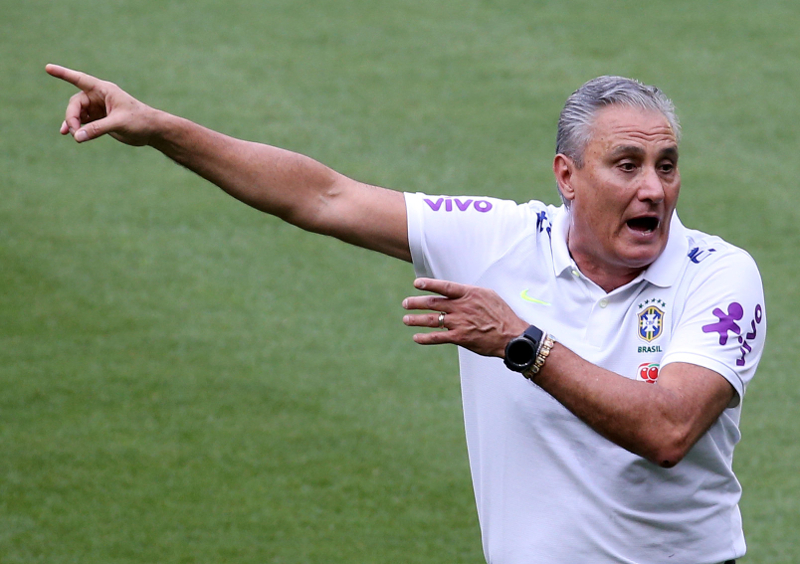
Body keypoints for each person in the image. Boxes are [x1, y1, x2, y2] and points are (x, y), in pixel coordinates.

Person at [46, 64, 765, 564]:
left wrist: (521, 341)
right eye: (628, 164)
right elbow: (323, 197)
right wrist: (160, 127)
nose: (654, 190)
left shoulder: (720, 277)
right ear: (567, 177)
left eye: (666, 165)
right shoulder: (498, 239)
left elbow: (667, 428)